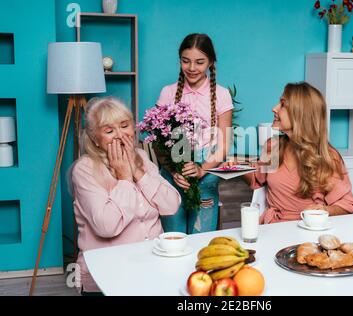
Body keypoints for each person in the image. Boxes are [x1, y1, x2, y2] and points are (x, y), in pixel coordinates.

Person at [71, 97, 181, 295]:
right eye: (109, 130)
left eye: (124, 126)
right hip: (107, 276)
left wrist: (137, 171)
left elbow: (171, 205)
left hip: (152, 270)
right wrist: (124, 178)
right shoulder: (84, 169)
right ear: (94, 138)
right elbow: (106, 226)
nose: (120, 136)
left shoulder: (142, 158)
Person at [231, 82, 353, 224]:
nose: (274, 108)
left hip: (308, 230)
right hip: (273, 228)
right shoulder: (273, 146)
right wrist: (235, 166)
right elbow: (257, 179)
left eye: (283, 105)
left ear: (301, 114)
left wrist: (324, 210)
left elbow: (348, 205)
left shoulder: (328, 156)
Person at [155, 33, 233, 234]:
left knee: (201, 239)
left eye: (199, 62)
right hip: (172, 178)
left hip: (206, 178)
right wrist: (173, 171)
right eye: (185, 61)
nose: (191, 68)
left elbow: (224, 144)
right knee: (173, 238)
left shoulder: (222, 95)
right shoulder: (168, 93)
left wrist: (201, 170)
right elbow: (158, 140)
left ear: (211, 62)